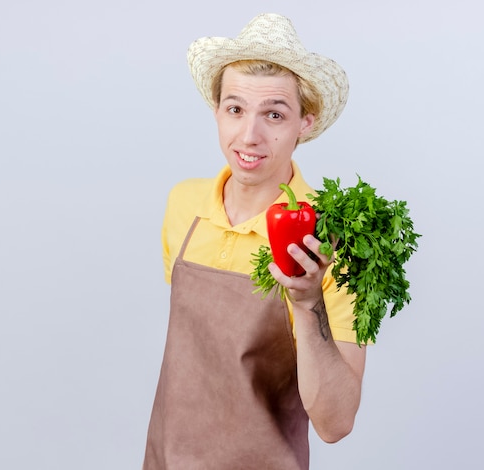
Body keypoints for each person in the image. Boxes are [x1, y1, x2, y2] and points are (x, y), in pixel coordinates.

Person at [143, 13, 367, 469]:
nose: (249, 135)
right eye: (235, 109)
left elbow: (335, 423)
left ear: (306, 121)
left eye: (274, 114)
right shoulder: (184, 204)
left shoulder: (329, 239)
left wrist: (307, 303)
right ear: (216, 110)